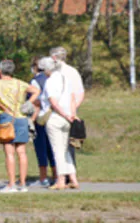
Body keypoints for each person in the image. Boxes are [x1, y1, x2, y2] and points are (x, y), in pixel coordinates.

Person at [0, 59, 38, 193]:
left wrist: (2, 106)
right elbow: (36, 90)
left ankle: (11, 184)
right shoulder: (20, 83)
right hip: (21, 118)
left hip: (6, 117)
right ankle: (23, 184)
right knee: (22, 152)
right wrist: (28, 103)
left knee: (9, 153)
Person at [39, 57, 80, 190]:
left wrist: (64, 114)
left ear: (47, 69)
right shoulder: (65, 79)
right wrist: (72, 115)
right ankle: (73, 179)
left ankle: (60, 180)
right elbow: (73, 98)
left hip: (56, 117)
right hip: (68, 118)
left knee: (57, 150)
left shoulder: (50, 81)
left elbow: (53, 102)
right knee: (65, 149)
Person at [50, 46, 84, 177]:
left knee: (60, 145)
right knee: (68, 144)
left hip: (59, 112)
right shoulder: (73, 71)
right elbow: (80, 93)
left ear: (54, 58)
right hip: (70, 111)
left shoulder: (56, 72)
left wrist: (69, 112)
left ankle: (62, 176)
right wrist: (73, 111)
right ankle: (70, 175)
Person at [28, 56, 56, 187]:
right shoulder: (53, 79)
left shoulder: (35, 81)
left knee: (41, 148)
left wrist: (31, 119)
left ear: (35, 67)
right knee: (53, 148)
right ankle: (56, 175)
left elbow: (36, 101)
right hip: (54, 115)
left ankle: (43, 177)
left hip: (41, 118)